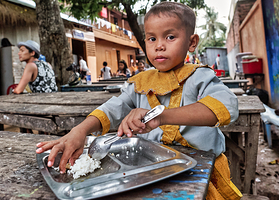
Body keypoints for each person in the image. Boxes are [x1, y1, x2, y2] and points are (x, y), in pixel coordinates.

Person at [36, 2, 241, 199]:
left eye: (170, 37)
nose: (159, 46)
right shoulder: (139, 82)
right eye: (151, 39)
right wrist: (80, 130)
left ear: (192, 42)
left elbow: (226, 107)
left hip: (200, 172)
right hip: (155, 171)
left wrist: (162, 116)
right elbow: (114, 108)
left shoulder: (199, 77)